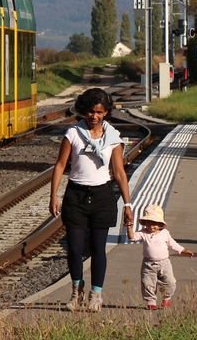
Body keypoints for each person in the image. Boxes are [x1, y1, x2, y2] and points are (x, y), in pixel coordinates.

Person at [49, 87, 134, 313]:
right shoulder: (73, 134)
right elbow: (60, 165)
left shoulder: (113, 138)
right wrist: (54, 196)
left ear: (105, 112)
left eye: (98, 112)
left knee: (98, 249)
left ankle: (96, 293)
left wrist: (127, 204)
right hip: (75, 195)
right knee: (75, 249)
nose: (93, 116)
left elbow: (119, 173)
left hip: (102, 197)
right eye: (89, 111)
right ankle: (76, 290)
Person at [132, 204, 194, 309]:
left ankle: (166, 298)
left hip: (164, 263)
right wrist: (129, 227)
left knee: (170, 281)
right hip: (148, 263)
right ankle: (151, 301)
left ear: (160, 224)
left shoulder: (165, 233)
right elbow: (132, 237)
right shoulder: (143, 233)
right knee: (147, 283)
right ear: (145, 223)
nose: (151, 226)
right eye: (149, 223)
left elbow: (173, 244)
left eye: (155, 224)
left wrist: (183, 251)